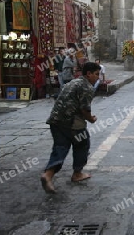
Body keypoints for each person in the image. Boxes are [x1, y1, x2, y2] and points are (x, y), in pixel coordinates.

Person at [40, 62, 101, 194]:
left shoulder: (71, 83)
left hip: (55, 120)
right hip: (72, 122)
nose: (98, 77)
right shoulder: (86, 87)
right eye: (96, 74)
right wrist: (91, 119)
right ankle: (77, 173)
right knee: (82, 144)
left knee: (60, 148)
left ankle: (48, 175)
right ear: (88, 74)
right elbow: (85, 110)